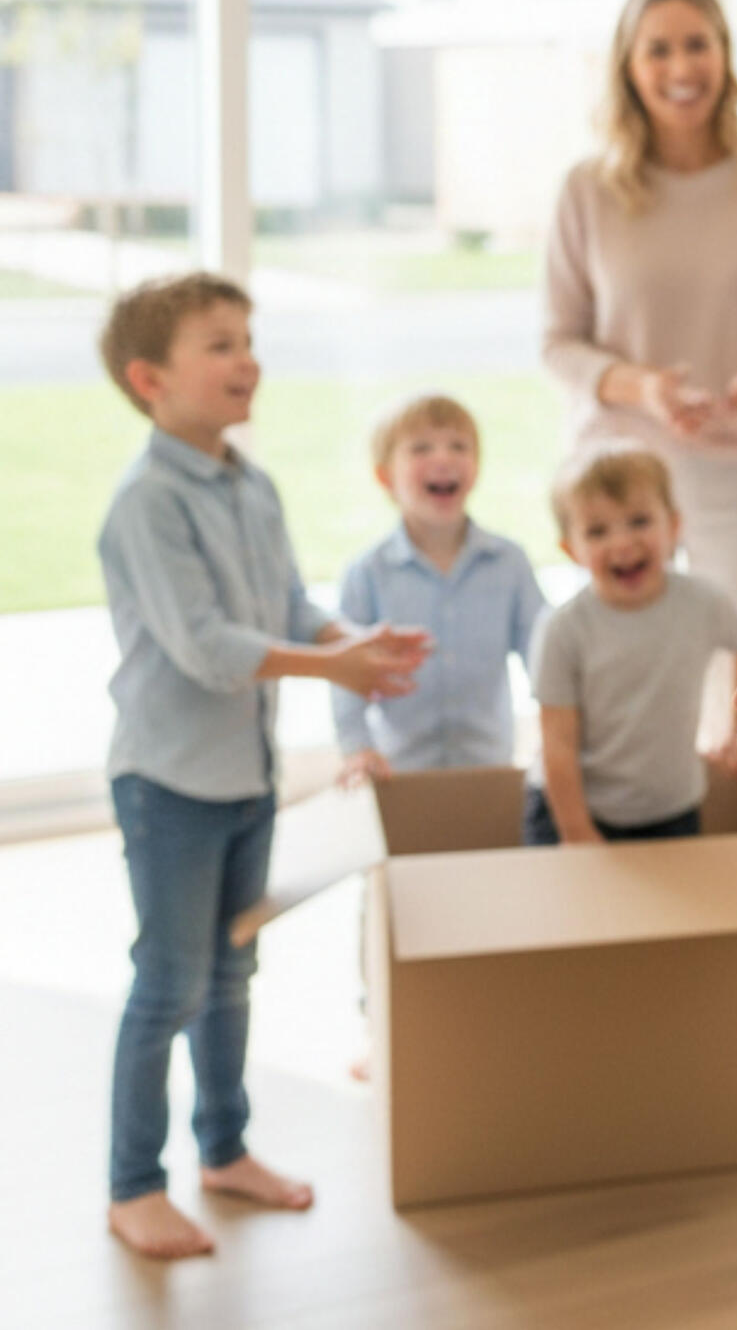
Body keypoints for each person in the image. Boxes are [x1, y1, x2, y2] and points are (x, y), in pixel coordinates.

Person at [95, 273, 428, 1262]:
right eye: (220, 344)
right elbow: (207, 648)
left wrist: (356, 639)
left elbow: (285, 608)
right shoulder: (146, 504)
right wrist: (335, 663)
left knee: (232, 970)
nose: (248, 360)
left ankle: (224, 1150)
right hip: (168, 784)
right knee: (168, 983)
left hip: (246, 776)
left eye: (248, 339)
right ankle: (131, 1187)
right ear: (150, 378)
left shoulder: (251, 482)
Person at [543, 0, 737, 653]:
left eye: (696, 44)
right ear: (629, 67)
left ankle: (736, 767)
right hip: (617, 472)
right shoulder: (588, 189)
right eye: (657, 50)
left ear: (724, 53)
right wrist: (646, 387)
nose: (681, 68)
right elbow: (559, 343)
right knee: (626, 675)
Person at [524, 446, 737, 845]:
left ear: (674, 526)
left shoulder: (705, 603)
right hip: (575, 809)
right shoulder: (562, 629)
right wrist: (576, 829)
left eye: (639, 521)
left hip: (671, 806)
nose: (622, 543)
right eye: (597, 531)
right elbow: (556, 743)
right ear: (569, 549)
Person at [332, 391, 546, 782]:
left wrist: (555, 729)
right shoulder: (367, 572)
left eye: (458, 446)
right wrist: (357, 746)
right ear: (385, 476)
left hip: (490, 765)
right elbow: (346, 673)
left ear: (476, 468)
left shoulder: (509, 563)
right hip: (399, 771)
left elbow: (542, 655)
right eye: (421, 448)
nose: (443, 458)